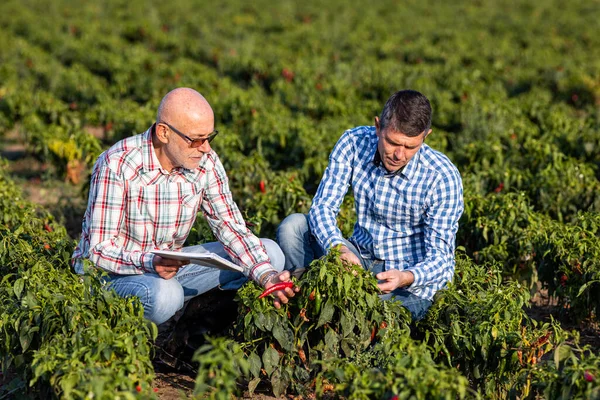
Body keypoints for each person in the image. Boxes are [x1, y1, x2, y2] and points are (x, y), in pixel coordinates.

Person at [72, 88, 297, 325]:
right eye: (196, 139)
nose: (206, 148)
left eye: (210, 137)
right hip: (113, 278)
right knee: (166, 295)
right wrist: (151, 262)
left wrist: (268, 275)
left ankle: (193, 328)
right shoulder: (118, 164)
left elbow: (229, 225)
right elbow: (96, 252)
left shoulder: (205, 162)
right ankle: (128, 337)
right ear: (164, 133)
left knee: (268, 254)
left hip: (169, 271)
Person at [276, 89, 463, 321]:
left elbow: (442, 258)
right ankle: (304, 300)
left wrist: (405, 276)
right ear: (377, 127)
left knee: (365, 312)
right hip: (360, 257)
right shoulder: (354, 143)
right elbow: (323, 207)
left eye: (410, 147)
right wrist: (338, 248)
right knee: (293, 227)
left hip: (406, 284)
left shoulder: (441, 176)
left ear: (426, 136)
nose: (399, 154)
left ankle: (322, 303)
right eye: (392, 142)